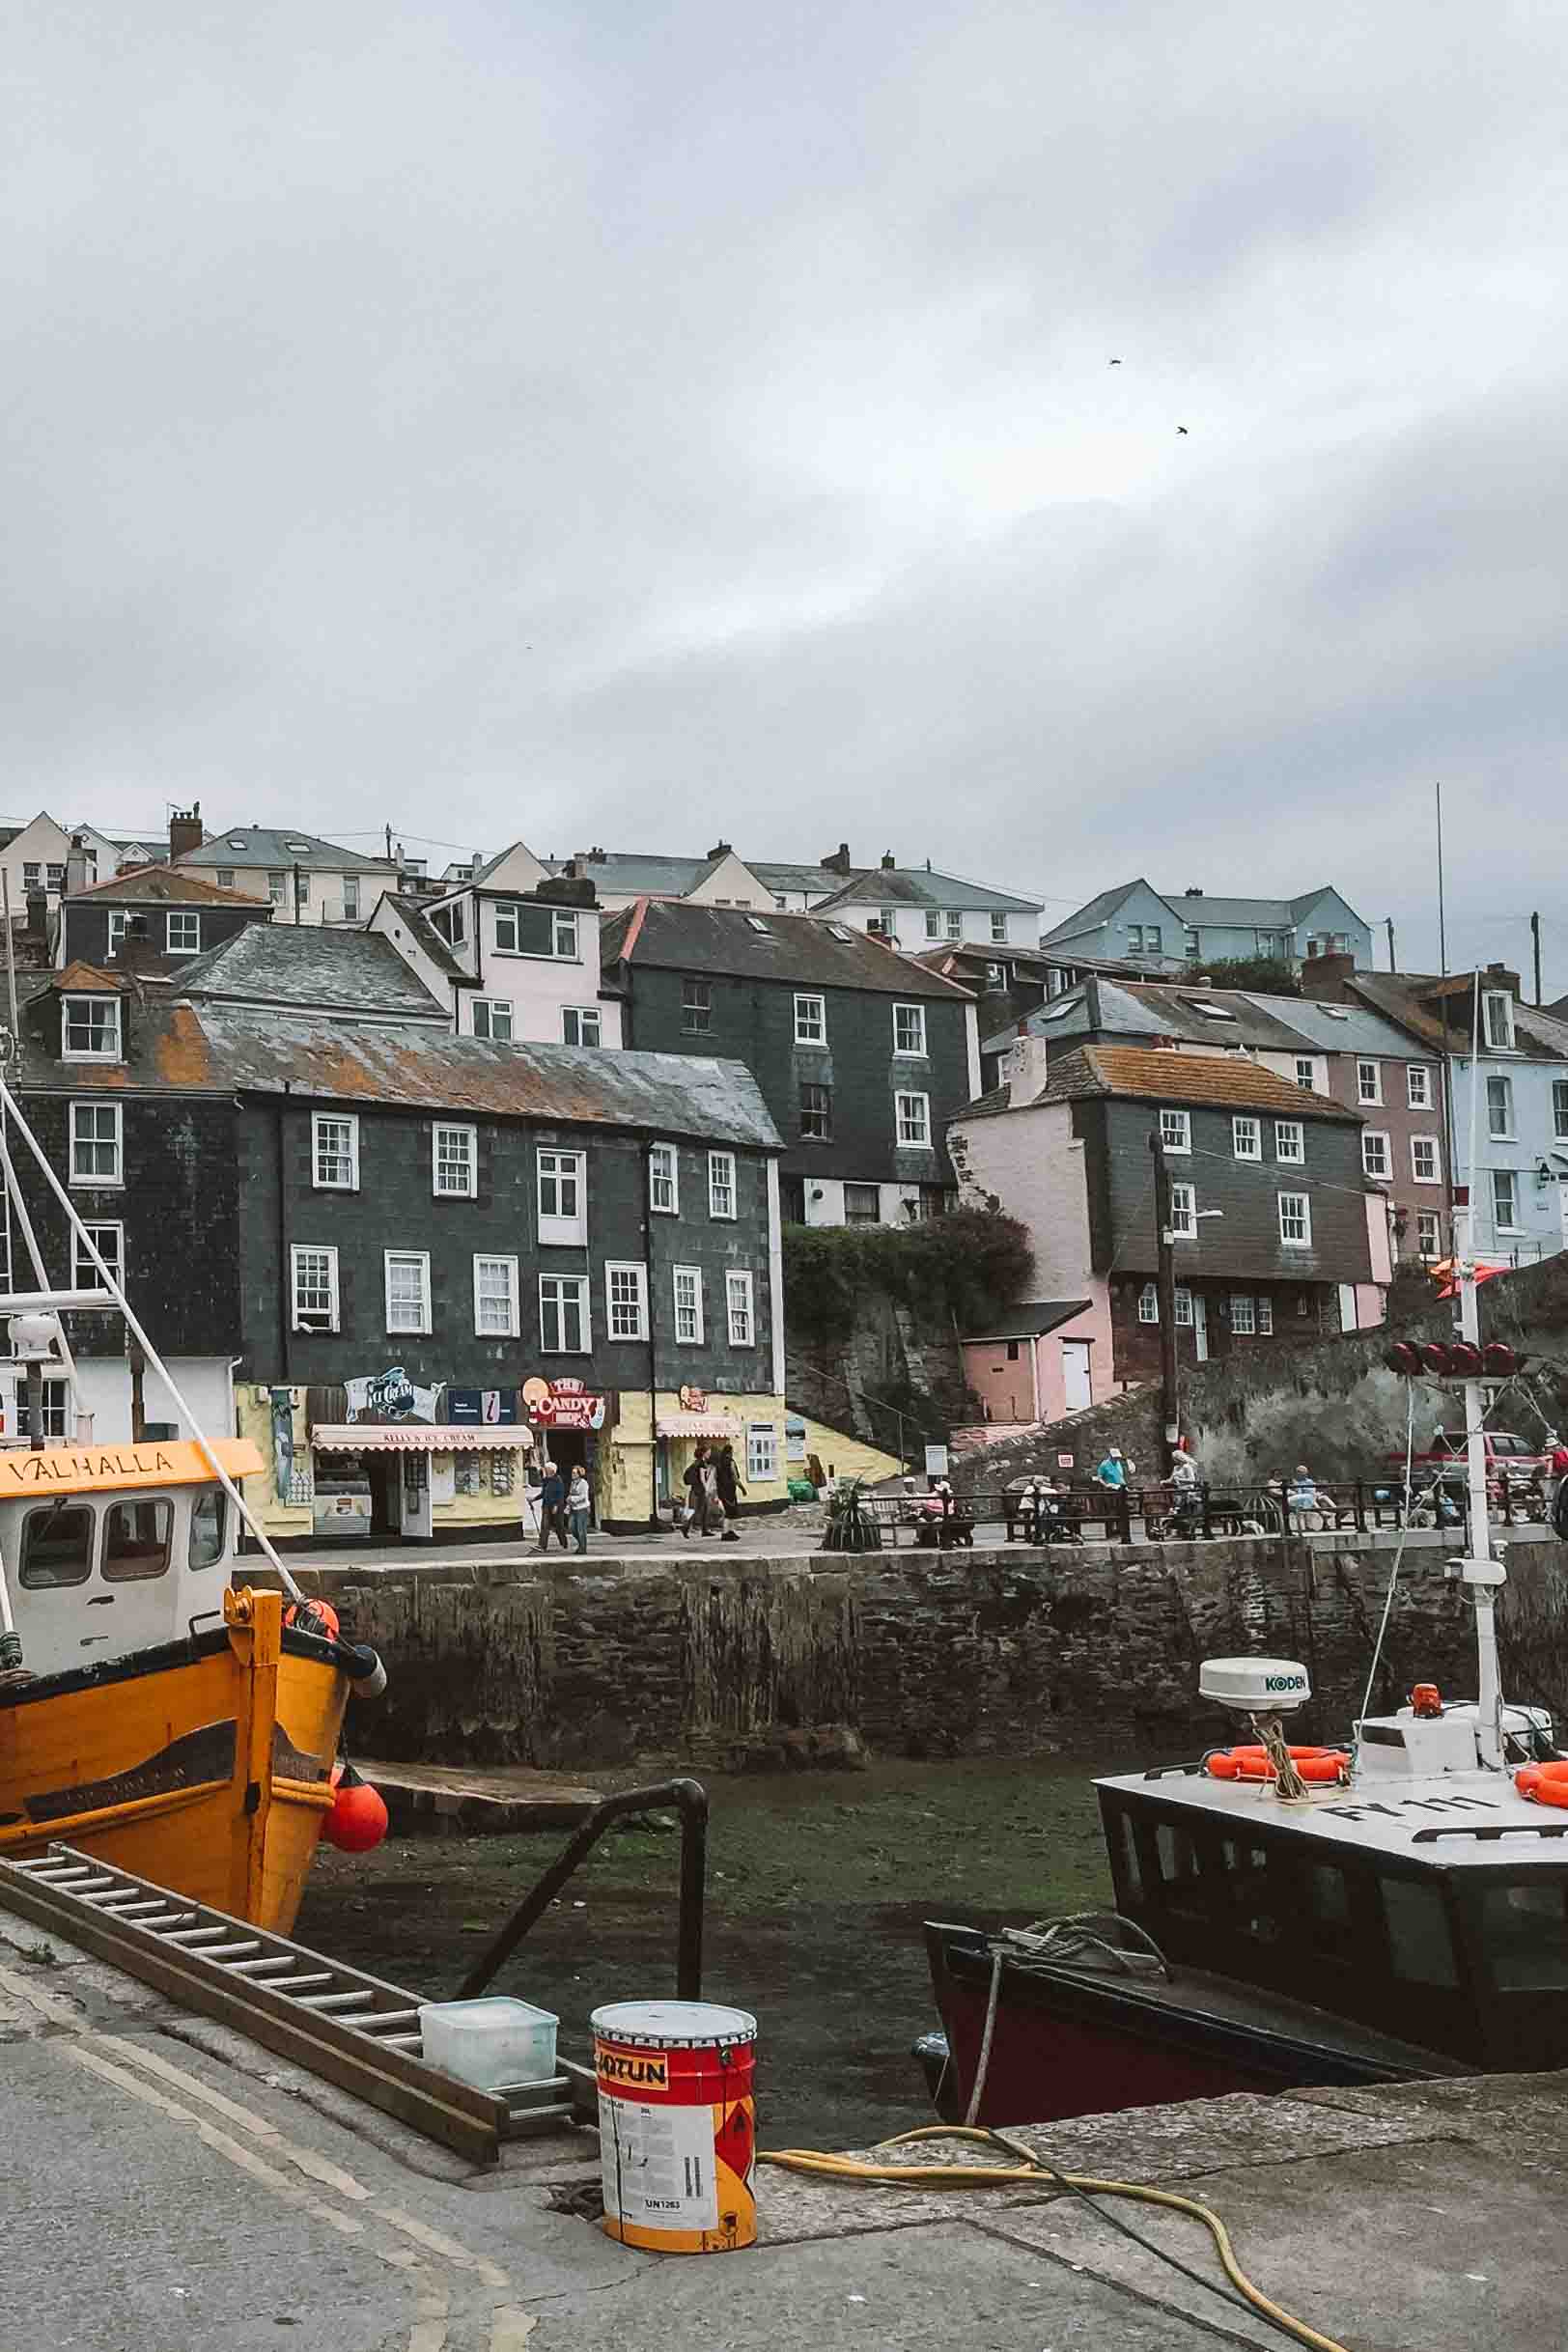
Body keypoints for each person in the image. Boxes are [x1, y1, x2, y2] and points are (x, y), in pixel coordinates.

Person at [714, 1442, 744, 1541]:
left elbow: (715, 1477)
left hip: (721, 1491)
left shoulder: (718, 1463)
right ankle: (725, 1533)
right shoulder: (731, 1462)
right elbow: (735, 1478)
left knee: (730, 1512)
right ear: (730, 1452)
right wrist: (742, 1488)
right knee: (730, 1512)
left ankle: (730, 1531)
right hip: (729, 1491)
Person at [537, 1460, 569, 1552]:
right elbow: (543, 1494)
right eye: (545, 1469)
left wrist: (556, 1506)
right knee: (545, 1526)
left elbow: (560, 1494)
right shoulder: (546, 1481)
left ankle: (564, 1543)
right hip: (546, 1506)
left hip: (556, 1507)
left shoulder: (558, 1480)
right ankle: (542, 1546)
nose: (545, 1471)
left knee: (559, 1526)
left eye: (546, 1469)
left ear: (552, 1471)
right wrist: (534, 1498)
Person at [681, 1446, 712, 1538]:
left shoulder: (696, 1462)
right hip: (699, 1491)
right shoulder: (701, 1463)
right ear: (703, 1453)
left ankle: (704, 1530)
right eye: (708, 1453)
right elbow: (702, 1479)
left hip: (695, 1490)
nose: (709, 1454)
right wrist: (707, 1489)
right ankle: (685, 1528)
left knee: (702, 1509)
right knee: (695, 1510)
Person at [566, 1466, 591, 1554]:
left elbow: (583, 1497)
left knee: (581, 1530)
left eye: (574, 1473)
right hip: (574, 1508)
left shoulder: (584, 1483)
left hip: (582, 1509)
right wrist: (568, 1506)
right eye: (572, 1473)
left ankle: (583, 1548)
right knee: (571, 1527)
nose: (572, 1474)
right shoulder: (573, 1483)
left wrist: (572, 1499)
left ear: (579, 1474)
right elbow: (570, 1494)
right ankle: (581, 1544)